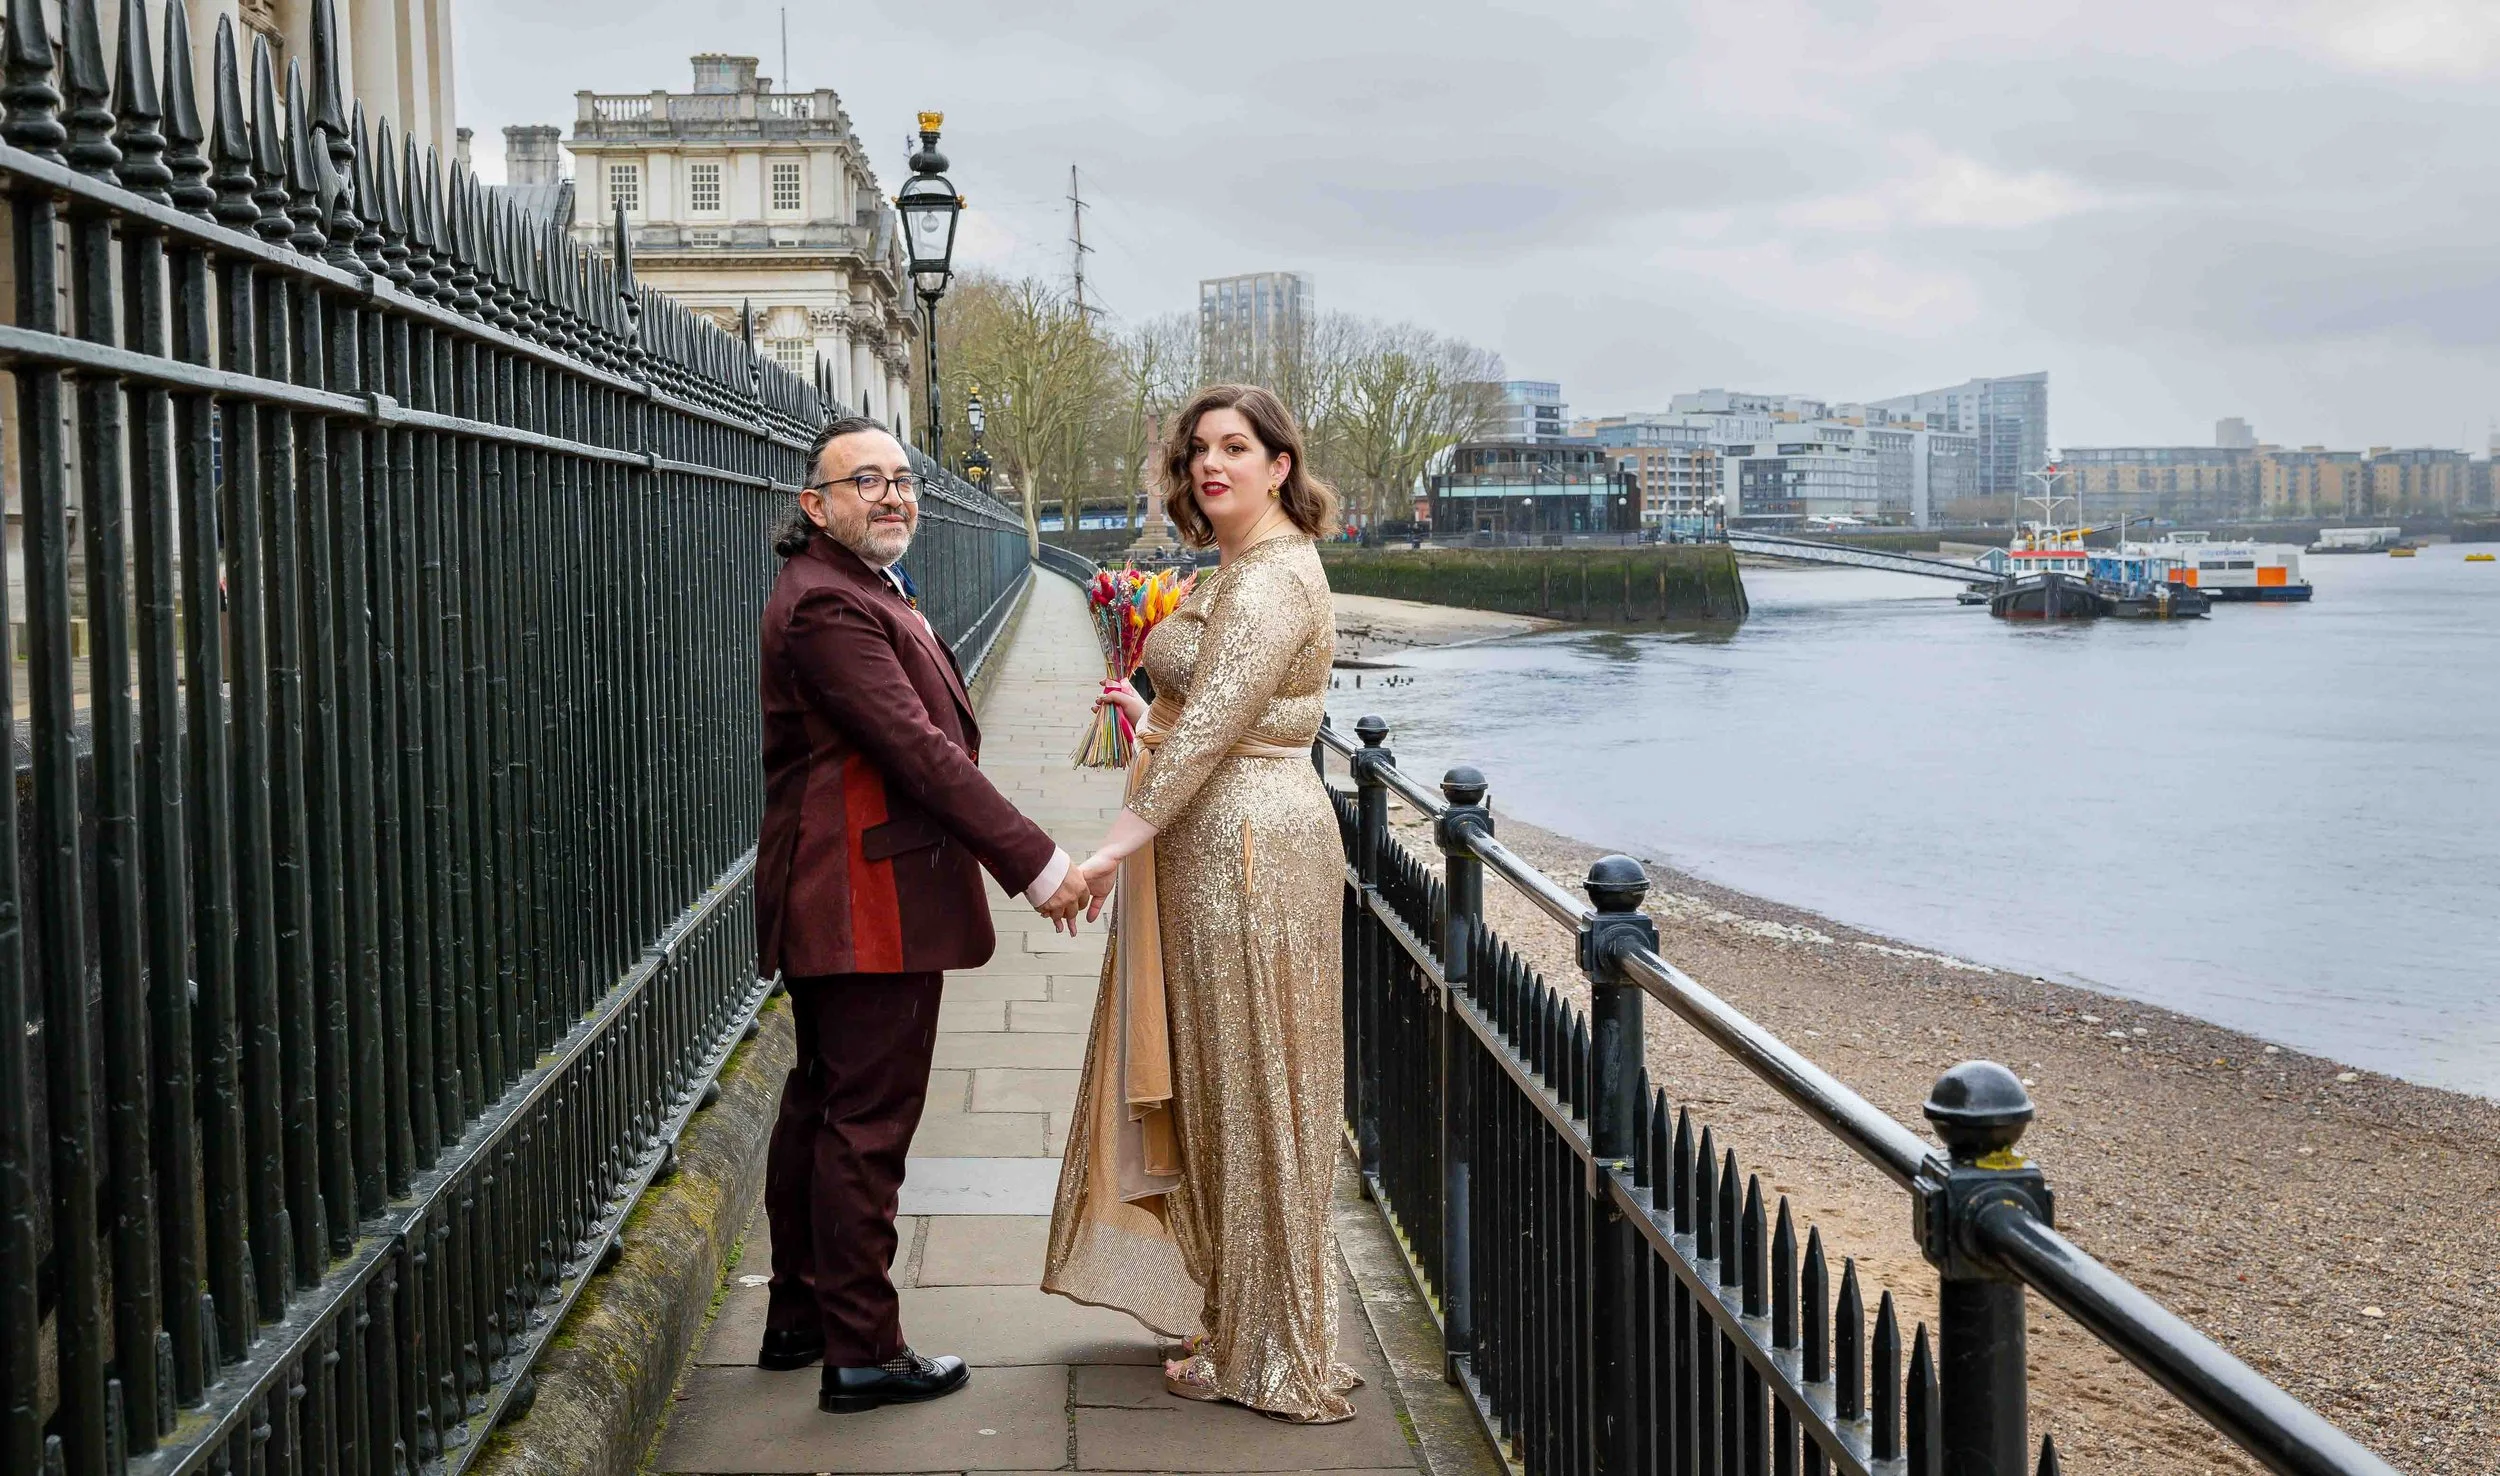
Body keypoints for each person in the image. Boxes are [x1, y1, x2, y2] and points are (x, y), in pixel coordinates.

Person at [755, 416, 1092, 1414]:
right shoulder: (827, 607)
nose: (893, 495)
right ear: (816, 507)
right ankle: (862, 1349)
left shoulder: (849, 587)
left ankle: (802, 1316)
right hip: (865, 901)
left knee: (822, 1109)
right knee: (865, 1125)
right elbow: (918, 753)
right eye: (865, 482)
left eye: (900, 479)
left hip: (851, 891)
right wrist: (1039, 863)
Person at [1041, 385, 1356, 1424]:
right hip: (1222, 837)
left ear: (1280, 465)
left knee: (1253, 1083)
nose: (1210, 464)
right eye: (1196, 450)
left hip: (1252, 848)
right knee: (1226, 1083)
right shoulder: (1240, 569)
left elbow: (1221, 728)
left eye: (1236, 447)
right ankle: (1246, 1318)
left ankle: (1271, 1349)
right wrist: (1145, 711)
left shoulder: (1270, 579)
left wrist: (1102, 852)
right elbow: (1216, 707)